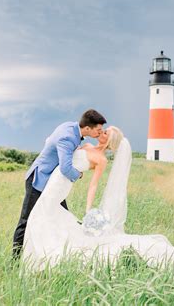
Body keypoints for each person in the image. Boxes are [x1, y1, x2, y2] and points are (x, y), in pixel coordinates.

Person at [22, 126, 174, 278]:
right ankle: (37, 253)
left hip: (60, 187)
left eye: (105, 133)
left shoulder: (101, 159)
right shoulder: (87, 146)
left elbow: (93, 186)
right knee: (45, 218)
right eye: (102, 130)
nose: (101, 132)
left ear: (109, 141)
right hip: (56, 184)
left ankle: (40, 256)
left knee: (44, 219)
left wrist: (89, 209)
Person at [12, 109, 107, 259]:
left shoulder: (70, 127)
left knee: (62, 219)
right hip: (39, 179)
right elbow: (65, 168)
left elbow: (50, 140)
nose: (100, 133)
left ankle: (59, 257)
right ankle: (15, 261)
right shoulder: (68, 137)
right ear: (88, 128)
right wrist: (79, 175)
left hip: (53, 185)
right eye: (98, 130)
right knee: (26, 220)